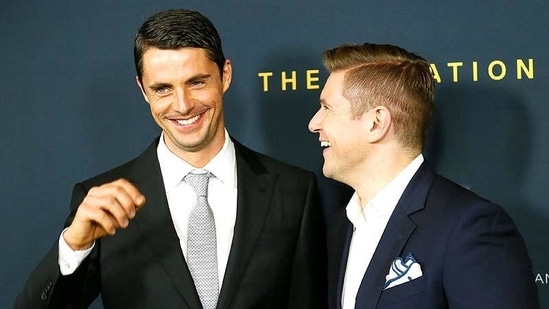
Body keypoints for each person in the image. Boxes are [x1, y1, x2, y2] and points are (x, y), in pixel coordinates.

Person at [15, 8, 327, 309]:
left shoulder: (293, 190)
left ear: (225, 75)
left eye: (197, 82)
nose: (183, 105)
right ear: (143, 90)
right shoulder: (101, 203)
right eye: (162, 88)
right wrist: (74, 244)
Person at [308, 43, 539, 309]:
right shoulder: (342, 226)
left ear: (376, 123)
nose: (314, 124)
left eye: (327, 109)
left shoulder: (469, 226)